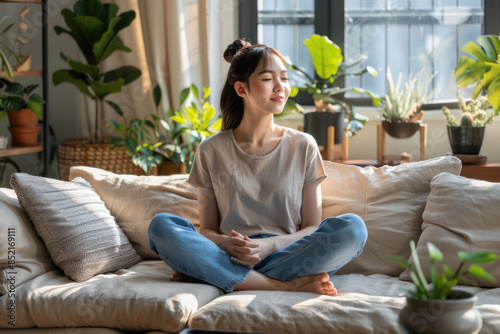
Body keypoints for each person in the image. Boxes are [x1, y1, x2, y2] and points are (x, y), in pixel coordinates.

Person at [148, 38, 368, 296]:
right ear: (241, 89)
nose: (280, 87)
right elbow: (206, 229)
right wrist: (225, 244)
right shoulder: (210, 150)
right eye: (267, 79)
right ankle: (283, 285)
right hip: (230, 254)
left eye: (284, 78)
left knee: (352, 228)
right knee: (161, 226)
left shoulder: (303, 145)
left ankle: (216, 275)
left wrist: (268, 246)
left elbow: (311, 227)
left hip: (286, 253)